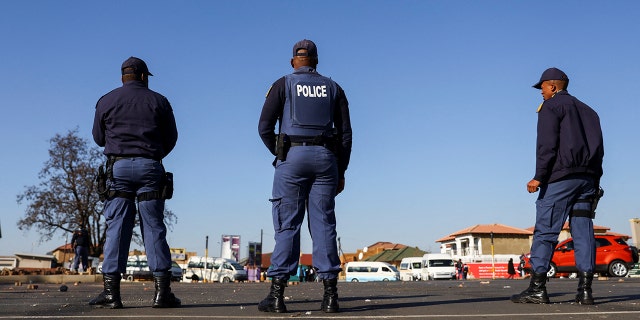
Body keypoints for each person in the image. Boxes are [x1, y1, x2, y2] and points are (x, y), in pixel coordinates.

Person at [258, 39, 352, 313]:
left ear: (292, 61)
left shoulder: (282, 84)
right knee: (324, 224)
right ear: (316, 62)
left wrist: (280, 152)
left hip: (292, 157)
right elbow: (346, 134)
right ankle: (330, 296)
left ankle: (277, 296)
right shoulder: (334, 87)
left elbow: (264, 127)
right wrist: (341, 171)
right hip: (326, 160)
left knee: (287, 224)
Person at [90, 57, 180, 309]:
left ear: (122, 77)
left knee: (116, 227)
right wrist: (153, 154)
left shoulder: (105, 100)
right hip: (150, 167)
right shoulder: (159, 101)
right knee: (153, 227)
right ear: (143, 76)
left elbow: (98, 138)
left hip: (117, 169)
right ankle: (162, 294)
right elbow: (172, 137)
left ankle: (111, 294)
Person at [511, 68, 604, 305]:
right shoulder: (590, 111)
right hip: (587, 180)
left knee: (546, 230)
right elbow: (600, 150)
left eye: (541, 87)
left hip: (561, 178)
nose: (540, 92)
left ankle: (537, 289)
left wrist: (538, 177)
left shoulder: (551, 107)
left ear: (552, 86)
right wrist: (596, 181)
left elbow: (546, 146)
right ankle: (585, 292)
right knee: (583, 232)